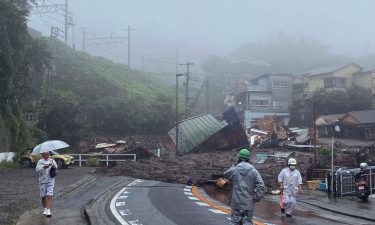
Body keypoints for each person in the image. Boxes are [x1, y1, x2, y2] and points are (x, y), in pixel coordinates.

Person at [224, 149, 265, 225]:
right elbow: (261, 186)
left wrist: (234, 165)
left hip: (236, 202)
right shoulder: (253, 171)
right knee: (247, 222)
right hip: (248, 203)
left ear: (238, 158)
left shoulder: (235, 169)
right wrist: (256, 197)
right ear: (248, 159)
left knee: (234, 222)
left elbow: (226, 175)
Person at [36, 151, 58, 217]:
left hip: (50, 180)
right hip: (42, 181)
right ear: (42, 155)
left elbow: (56, 167)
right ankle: (45, 208)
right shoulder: (40, 161)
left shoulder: (51, 160)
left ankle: (48, 210)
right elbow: (37, 170)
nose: (47, 156)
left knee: (49, 195)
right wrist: (43, 167)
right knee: (43, 196)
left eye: (48, 154)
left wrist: (53, 165)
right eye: (45, 154)